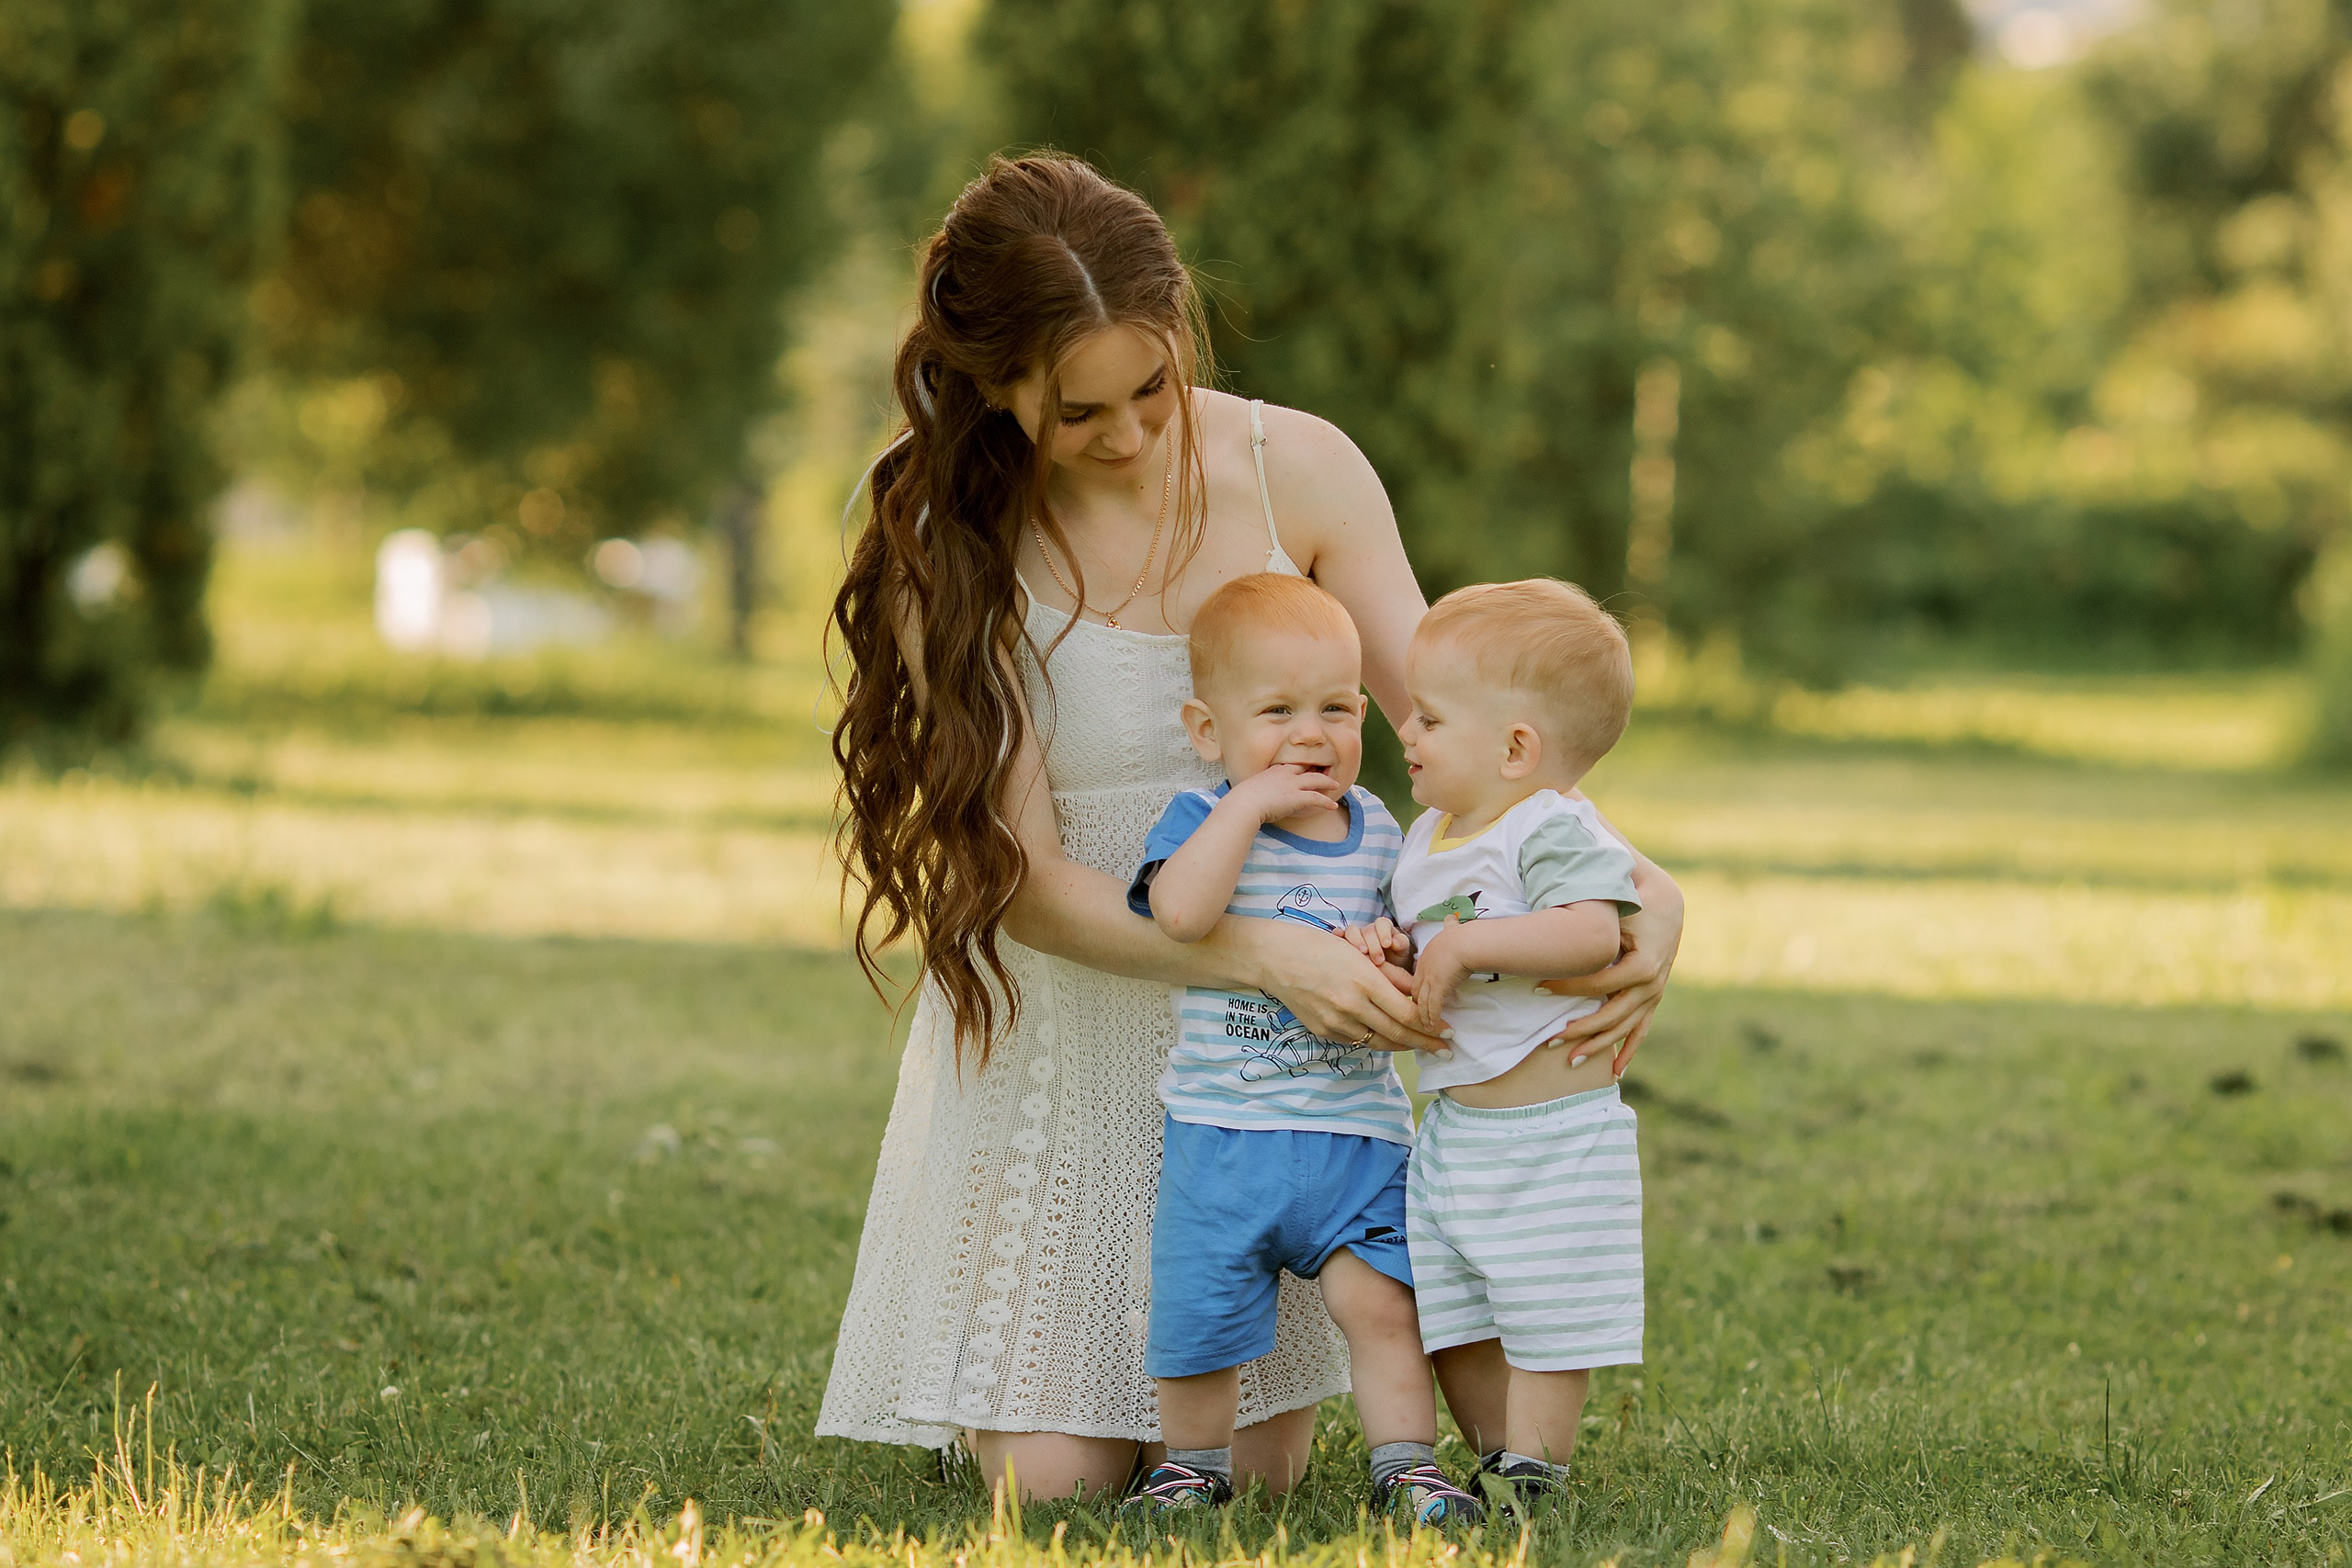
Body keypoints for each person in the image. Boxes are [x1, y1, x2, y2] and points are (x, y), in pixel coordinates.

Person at [816, 152, 1684, 1505]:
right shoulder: (950, 526)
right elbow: (1020, 879)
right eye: (1075, 410)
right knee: (1052, 1483)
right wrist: (1272, 955)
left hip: (1279, 1080)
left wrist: (1652, 893)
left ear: (1181, 329)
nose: (1127, 434)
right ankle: (1001, 1385)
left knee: (1252, 1472)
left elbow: (1464, 737)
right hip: (1086, 1031)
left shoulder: (1302, 470)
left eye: (1151, 385)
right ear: (991, 382)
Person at [1118, 573, 1482, 1523]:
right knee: (1199, 1319)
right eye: (1276, 712)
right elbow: (1182, 916)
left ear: (1364, 713)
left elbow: (1413, 949)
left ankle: (1405, 1465)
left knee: (1385, 1310)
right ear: (1209, 732)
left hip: (1356, 1139)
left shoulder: (1380, 832)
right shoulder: (1201, 820)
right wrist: (1247, 805)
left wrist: (1391, 948)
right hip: (1225, 1136)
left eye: (1333, 709)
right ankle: (1191, 1467)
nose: (1310, 736)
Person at [1383, 580, 1649, 1509]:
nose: (1405, 733)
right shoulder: (1426, 840)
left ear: (1516, 748)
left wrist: (1463, 944)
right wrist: (1388, 947)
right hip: (1456, 1133)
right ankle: (1496, 1455)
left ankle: (1533, 1467)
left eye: (1428, 717)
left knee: (1546, 1313)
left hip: (1551, 1135)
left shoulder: (1550, 826)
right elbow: (1413, 938)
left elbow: (1592, 935)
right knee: (1449, 1314)